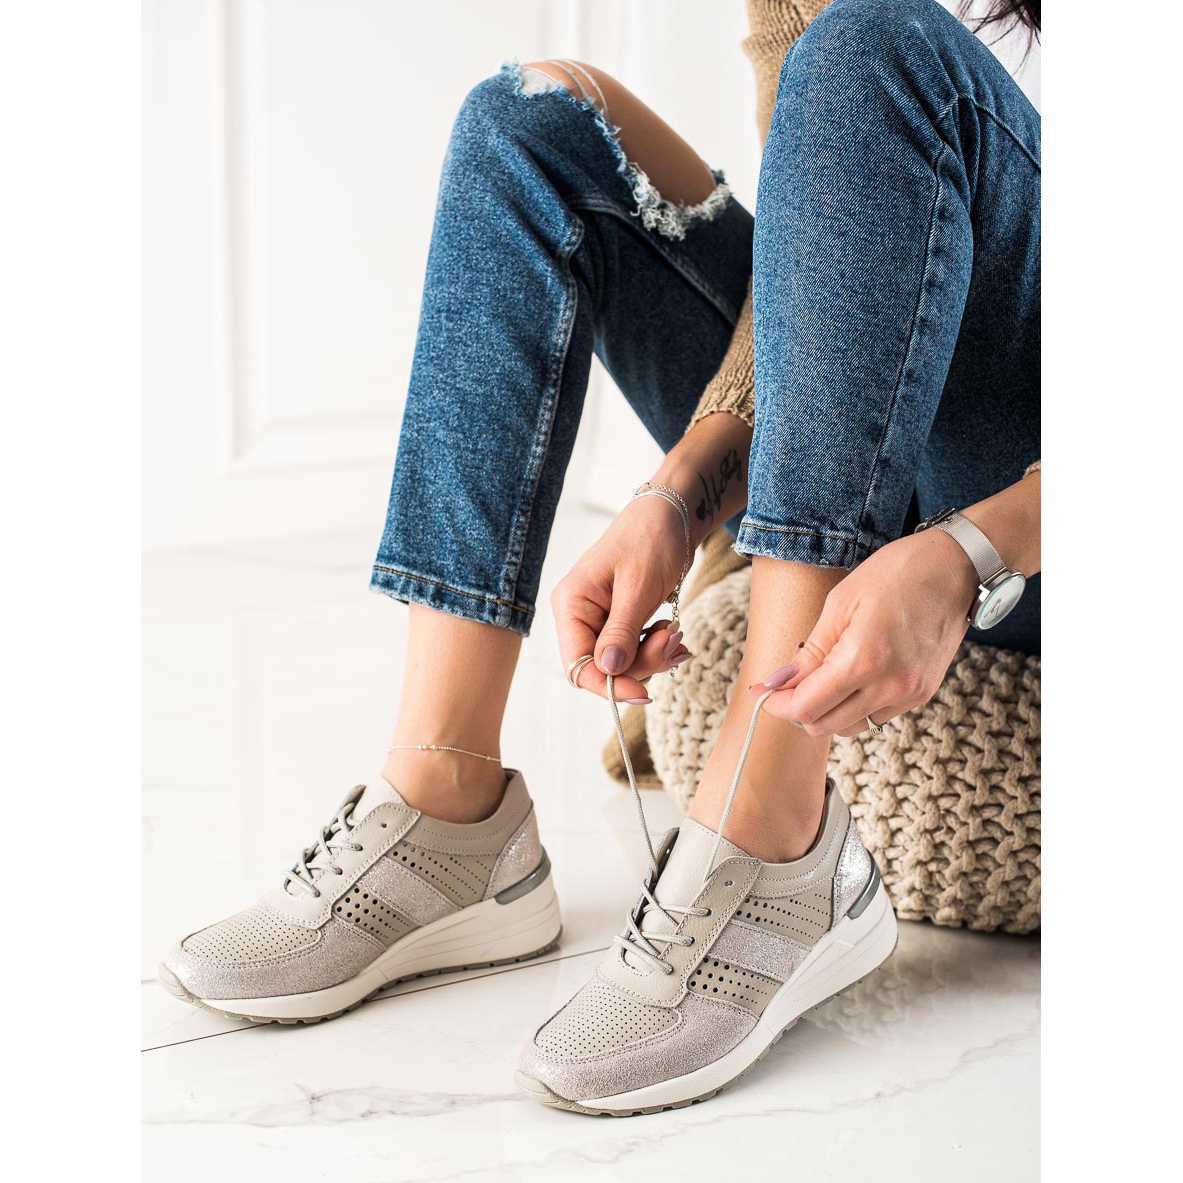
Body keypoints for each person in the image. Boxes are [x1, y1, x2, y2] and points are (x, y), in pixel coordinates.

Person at [160, 0, 1040, 1115]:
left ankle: (773, 837)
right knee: (528, 122)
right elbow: (832, 249)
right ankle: (446, 803)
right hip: (878, 435)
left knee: (874, 45)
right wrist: (684, 487)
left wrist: (975, 548)